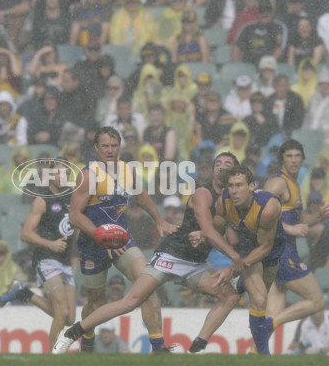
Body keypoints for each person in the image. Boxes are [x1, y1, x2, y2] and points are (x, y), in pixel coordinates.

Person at [53, 152, 244, 355]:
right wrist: (232, 255)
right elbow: (209, 229)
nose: (222, 166)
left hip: (196, 263)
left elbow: (225, 232)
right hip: (171, 255)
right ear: (213, 169)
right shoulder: (203, 193)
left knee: (230, 297)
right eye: (218, 163)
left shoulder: (232, 200)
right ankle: (72, 333)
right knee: (130, 302)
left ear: (235, 171)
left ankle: (196, 348)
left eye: (228, 164)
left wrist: (209, 237)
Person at [55, 126, 178, 353]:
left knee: (147, 284)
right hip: (93, 246)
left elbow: (141, 196)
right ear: (96, 148)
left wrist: (160, 220)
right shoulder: (88, 175)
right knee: (95, 302)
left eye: (114, 146)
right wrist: (100, 236)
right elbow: (74, 215)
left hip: (122, 241)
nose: (110, 150)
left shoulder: (126, 170)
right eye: (105, 146)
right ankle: (88, 342)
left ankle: (159, 348)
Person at [0, 158, 77, 348]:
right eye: (58, 172)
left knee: (69, 318)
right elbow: (25, 234)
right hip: (47, 259)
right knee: (62, 310)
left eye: (66, 172)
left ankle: (23, 293)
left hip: (65, 261)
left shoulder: (72, 198)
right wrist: (50, 244)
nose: (62, 176)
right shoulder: (42, 200)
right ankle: (53, 357)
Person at [261, 140, 329, 347]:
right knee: (317, 301)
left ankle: (254, 353)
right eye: (289, 156)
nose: (293, 160)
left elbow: (299, 219)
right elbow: (260, 216)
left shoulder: (294, 183)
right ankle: (272, 323)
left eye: (297, 156)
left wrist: (318, 217)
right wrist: (290, 229)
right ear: (282, 159)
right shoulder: (277, 183)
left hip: (281, 253)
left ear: (302, 158)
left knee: (273, 310)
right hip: (282, 252)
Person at [212, 164, 287, 354]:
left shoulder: (268, 207)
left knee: (260, 303)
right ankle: (263, 355)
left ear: (252, 186)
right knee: (260, 298)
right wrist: (201, 233)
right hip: (246, 249)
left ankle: (256, 352)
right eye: (231, 186)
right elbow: (215, 232)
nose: (234, 191)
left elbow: (265, 247)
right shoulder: (224, 201)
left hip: (270, 252)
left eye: (239, 185)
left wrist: (236, 265)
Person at [232, 0, 288, 65]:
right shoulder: (248, 28)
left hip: (270, 67)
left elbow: (280, 49)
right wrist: (236, 66)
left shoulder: (279, 27)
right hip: (249, 66)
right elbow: (237, 47)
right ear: (257, 13)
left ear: (272, 13)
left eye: (267, 11)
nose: (264, 14)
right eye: (261, 11)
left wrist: (267, 65)